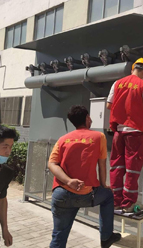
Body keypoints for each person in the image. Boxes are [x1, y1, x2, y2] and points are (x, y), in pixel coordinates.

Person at [48, 105, 121, 248]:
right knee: (108, 196)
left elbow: (51, 164)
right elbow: (102, 164)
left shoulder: (63, 139)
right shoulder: (98, 137)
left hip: (61, 193)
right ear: (87, 118)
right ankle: (106, 237)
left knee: (59, 235)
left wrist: (69, 181)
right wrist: (103, 184)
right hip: (86, 194)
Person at [106, 58, 143, 212]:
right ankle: (128, 204)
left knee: (117, 166)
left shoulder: (117, 83)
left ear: (133, 68)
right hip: (135, 132)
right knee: (132, 168)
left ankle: (115, 201)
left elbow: (108, 105)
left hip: (118, 132)